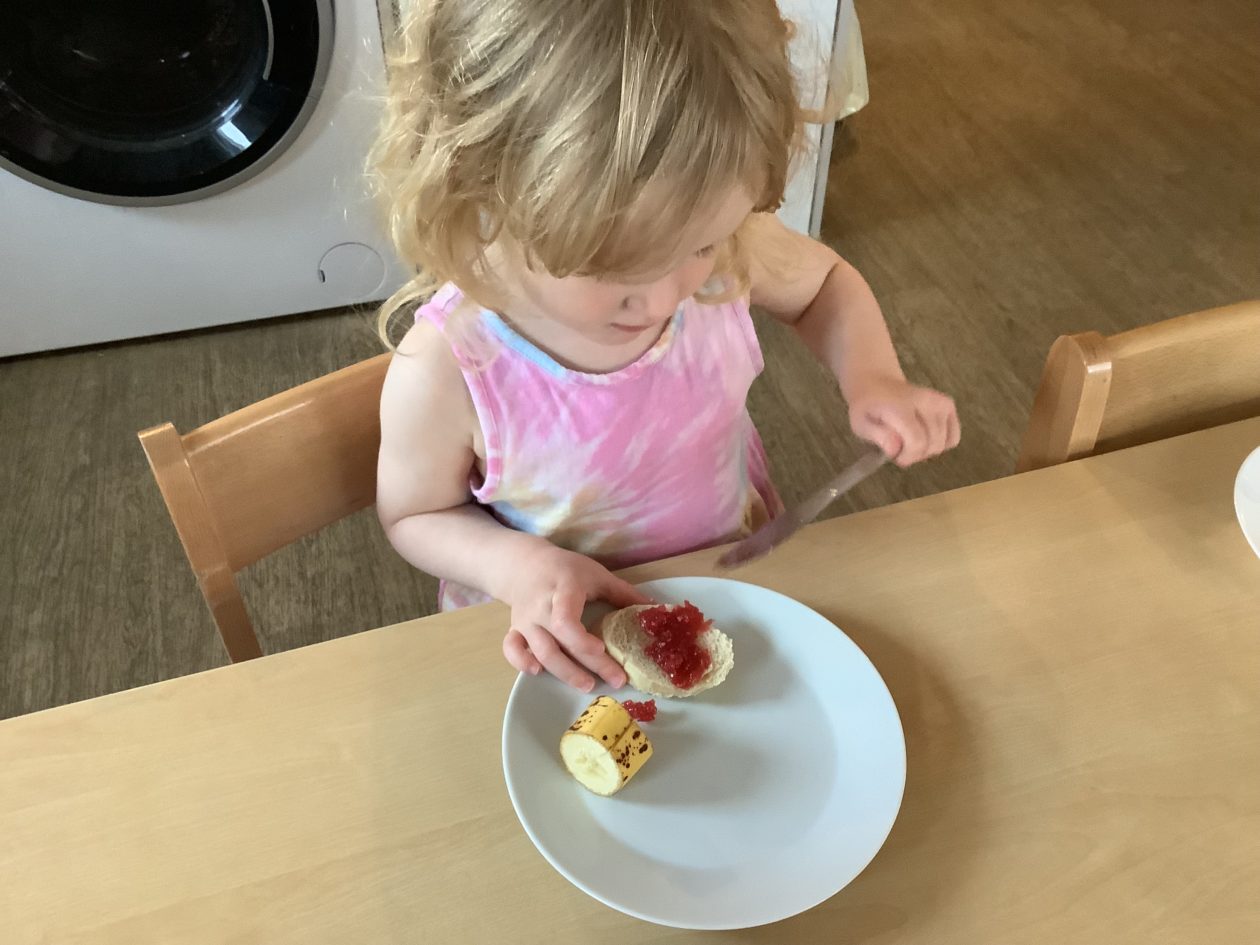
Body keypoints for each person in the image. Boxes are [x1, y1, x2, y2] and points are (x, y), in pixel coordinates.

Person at [371, 0, 960, 693]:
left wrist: (873, 376)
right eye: (610, 268)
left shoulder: (732, 252)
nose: (661, 300)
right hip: (558, 639)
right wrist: (517, 566)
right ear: (480, 196)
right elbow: (416, 513)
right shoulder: (448, 369)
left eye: (700, 246)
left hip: (728, 575)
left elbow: (823, 285)